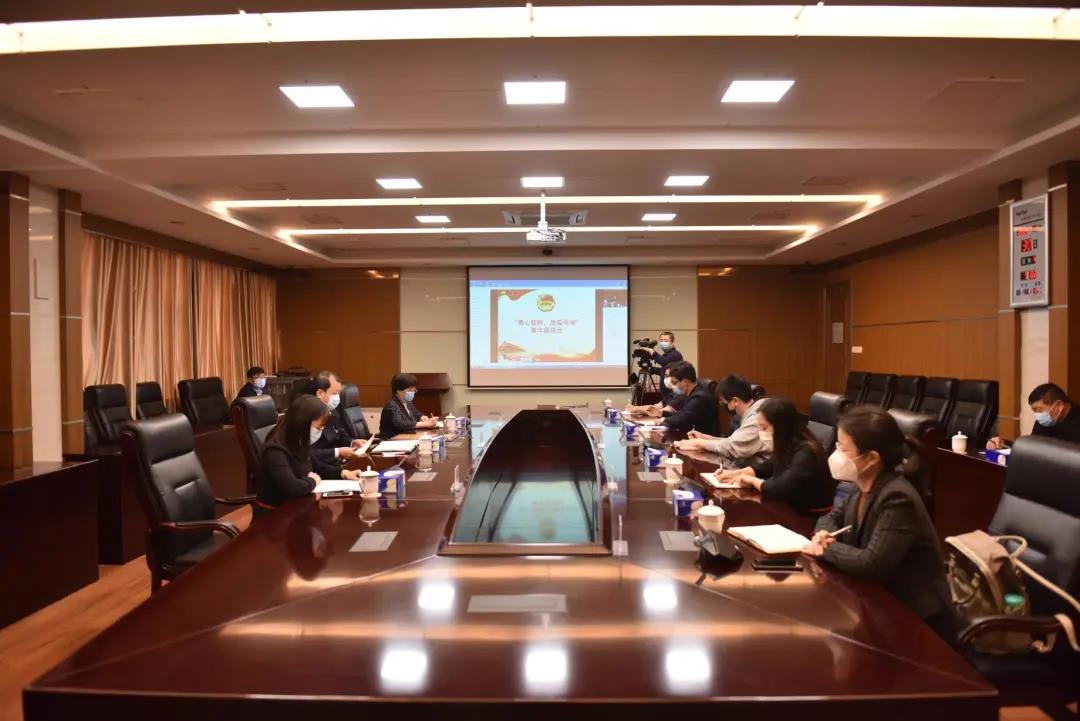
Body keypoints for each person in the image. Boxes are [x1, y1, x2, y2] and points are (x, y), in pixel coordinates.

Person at [805, 405, 957, 640]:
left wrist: (826, 549)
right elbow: (830, 517)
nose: (836, 454)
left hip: (916, 621)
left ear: (872, 458)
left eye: (843, 448)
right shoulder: (861, 485)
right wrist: (824, 533)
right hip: (877, 604)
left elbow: (871, 563)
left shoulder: (897, 497)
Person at [718, 398, 835, 512]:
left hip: (810, 514)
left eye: (764, 427)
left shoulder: (807, 452)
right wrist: (736, 473)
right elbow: (769, 466)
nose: (760, 432)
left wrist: (752, 481)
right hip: (789, 505)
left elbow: (778, 488)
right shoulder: (788, 443)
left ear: (781, 427)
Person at [253, 394, 359, 519]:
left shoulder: (298, 442)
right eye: (318, 428)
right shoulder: (275, 451)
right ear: (302, 423)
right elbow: (292, 487)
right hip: (274, 518)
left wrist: (343, 473)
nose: (319, 433)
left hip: (297, 510)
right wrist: (312, 481)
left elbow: (317, 466)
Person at [675, 375, 769, 469]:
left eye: (723, 402)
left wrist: (699, 443)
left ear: (735, 401)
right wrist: (706, 438)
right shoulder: (756, 409)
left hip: (760, 471)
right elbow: (734, 442)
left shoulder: (757, 418)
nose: (723, 406)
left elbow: (732, 448)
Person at [308, 370, 368, 479]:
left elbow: (340, 434)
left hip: (336, 468)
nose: (337, 398)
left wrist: (353, 442)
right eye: (334, 393)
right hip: (319, 473)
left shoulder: (332, 411)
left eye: (339, 394)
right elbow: (309, 455)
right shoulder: (309, 418)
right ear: (320, 393)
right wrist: (337, 452)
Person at [987, 382, 1080, 448]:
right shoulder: (1047, 420)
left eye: (1039, 410)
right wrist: (1003, 444)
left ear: (1059, 405)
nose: (1038, 415)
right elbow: (1032, 448)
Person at [658, 361, 720, 436]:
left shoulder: (700, 397)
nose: (673, 386)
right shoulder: (690, 393)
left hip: (705, 439)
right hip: (694, 437)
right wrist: (663, 414)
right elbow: (682, 413)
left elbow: (683, 418)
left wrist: (665, 420)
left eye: (674, 383)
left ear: (685, 382)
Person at [380, 372, 439, 437]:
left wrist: (422, 417)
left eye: (413, 389)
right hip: (392, 440)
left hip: (407, 437)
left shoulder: (408, 402)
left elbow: (416, 413)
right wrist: (426, 424)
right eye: (409, 389)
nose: (412, 392)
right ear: (398, 390)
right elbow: (402, 424)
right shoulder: (391, 406)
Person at [648, 331, 683, 402]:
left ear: (672, 342)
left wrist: (652, 352)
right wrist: (653, 369)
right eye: (661, 341)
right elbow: (664, 371)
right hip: (667, 396)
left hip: (674, 394)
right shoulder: (666, 355)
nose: (663, 343)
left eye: (666, 341)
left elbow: (663, 361)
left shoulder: (675, 354)